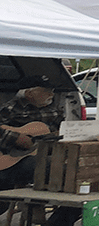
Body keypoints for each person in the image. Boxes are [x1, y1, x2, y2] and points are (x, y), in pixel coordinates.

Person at [1, 75, 65, 212]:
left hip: (42, 154)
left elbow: (63, 129)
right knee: (44, 164)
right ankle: (34, 207)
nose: (51, 94)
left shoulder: (53, 110)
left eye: (52, 91)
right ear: (30, 93)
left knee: (64, 165)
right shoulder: (10, 109)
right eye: (46, 91)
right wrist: (16, 138)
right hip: (11, 160)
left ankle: (43, 210)